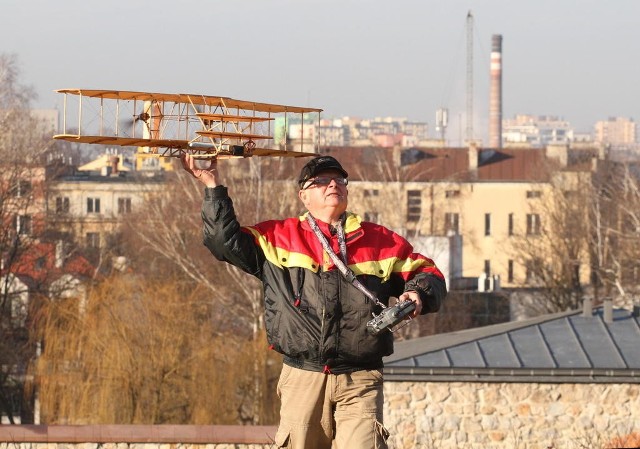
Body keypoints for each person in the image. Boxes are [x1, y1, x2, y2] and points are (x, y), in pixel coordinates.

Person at [181, 154, 447, 449]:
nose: (332, 184)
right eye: (321, 181)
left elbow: (428, 272)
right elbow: (222, 241)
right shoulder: (277, 237)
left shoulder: (381, 241)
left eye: (338, 179)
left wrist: (418, 292)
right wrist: (212, 185)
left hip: (360, 377)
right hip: (302, 376)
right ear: (303, 196)